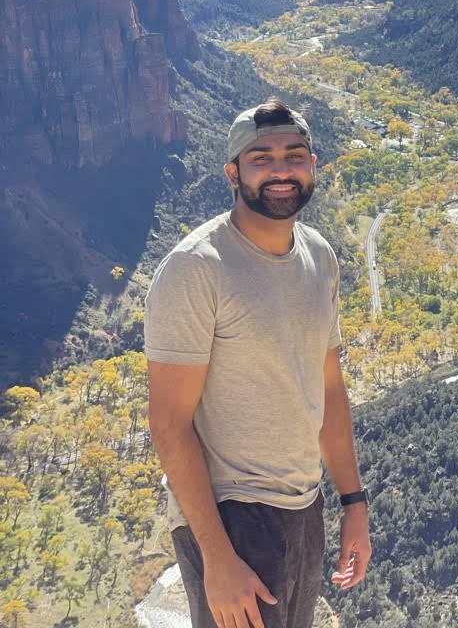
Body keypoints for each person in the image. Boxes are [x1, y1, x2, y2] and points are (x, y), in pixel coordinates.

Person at [144, 97, 371, 628]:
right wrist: (218, 561)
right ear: (233, 172)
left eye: (294, 155)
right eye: (261, 158)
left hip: (303, 504)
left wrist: (353, 503)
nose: (281, 170)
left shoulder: (319, 256)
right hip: (233, 516)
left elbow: (329, 391)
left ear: (313, 165)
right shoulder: (195, 270)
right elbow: (169, 425)